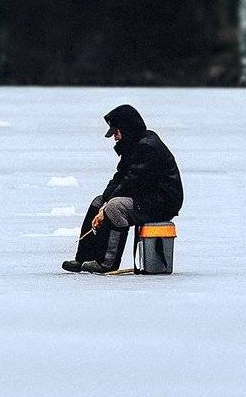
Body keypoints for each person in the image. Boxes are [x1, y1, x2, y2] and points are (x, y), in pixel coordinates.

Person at [62, 103, 183, 274]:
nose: (115, 137)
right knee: (99, 202)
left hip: (161, 202)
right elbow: (120, 177)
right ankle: (83, 257)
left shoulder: (148, 146)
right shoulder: (133, 144)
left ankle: (108, 263)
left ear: (127, 128)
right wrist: (104, 199)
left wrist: (107, 206)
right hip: (145, 198)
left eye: (116, 132)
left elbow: (132, 181)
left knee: (114, 207)